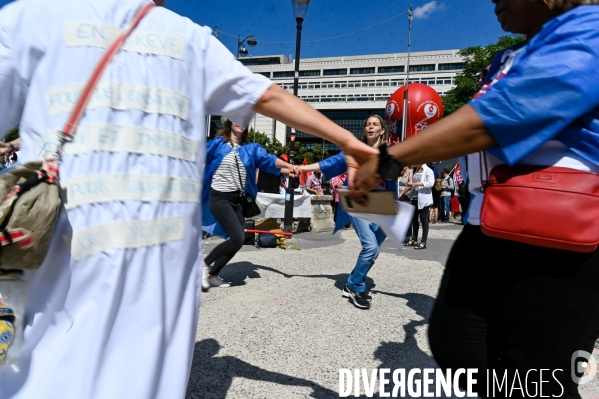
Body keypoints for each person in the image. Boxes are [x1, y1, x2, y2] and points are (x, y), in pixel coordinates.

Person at [0, 1, 377, 398]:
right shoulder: (188, 40)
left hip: (99, 273)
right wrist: (347, 140)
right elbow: (266, 95)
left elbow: (266, 111)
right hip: (123, 264)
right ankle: (210, 269)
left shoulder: (35, 18)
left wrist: (323, 156)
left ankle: (209, 269)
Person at [352, 0, 599, 396]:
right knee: (455, 340)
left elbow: (503, 114)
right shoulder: (505, 57)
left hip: (559, 233)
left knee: (538, 376)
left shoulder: (591, 29)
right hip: (489, 219)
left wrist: (392, 158)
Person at [300, 115, 397, 309]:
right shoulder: (355, 151)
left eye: (375, 124)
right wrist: (299, 167)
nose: (370, 127)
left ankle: (352, 281)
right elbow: (328, 164)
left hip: (382, 205)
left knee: (375, 251)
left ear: (382, 130)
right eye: (368, 124)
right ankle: (354, 287)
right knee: (369, 247)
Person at [202, 120, 297, 290]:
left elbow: (269, 160)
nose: (240, 122)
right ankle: (204, 264)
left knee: (238, 240)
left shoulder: (251, 149)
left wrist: (289, 166)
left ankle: (211, 275)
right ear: (229, 122)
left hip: (238, 199)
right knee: (237, 236)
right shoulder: (216, 145)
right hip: (219, 197)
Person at [400, 164, 434, 249]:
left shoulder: (428, 170)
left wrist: (417, 184)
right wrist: (412, 184)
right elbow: (414, 183)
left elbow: (431, 183)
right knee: (414, 220)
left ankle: (423, 241)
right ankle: (414, 239)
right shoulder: (416, 170)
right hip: (415, 198)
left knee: (424, 220)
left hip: (423, 199)